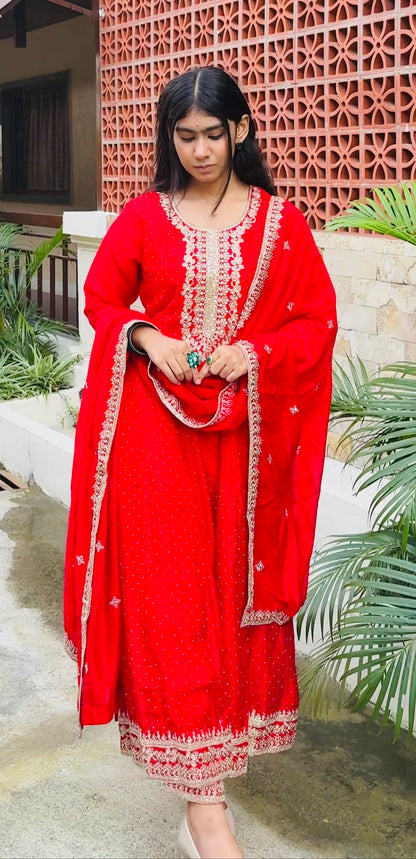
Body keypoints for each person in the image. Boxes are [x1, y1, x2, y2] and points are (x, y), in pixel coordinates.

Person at [64, 66, 337, 859]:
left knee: (229, 602)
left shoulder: (282, 225)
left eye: (213, 134)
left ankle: (204, 794)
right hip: (156, 437)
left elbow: (316, 322)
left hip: (247, 444)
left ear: (240, 130)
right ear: (170, 138)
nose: (200, 150)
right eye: (184, 136)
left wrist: (256, 352)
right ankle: (205, 805)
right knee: (176, 608)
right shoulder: (144, 217)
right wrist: (149, 337)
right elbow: (103, 301)